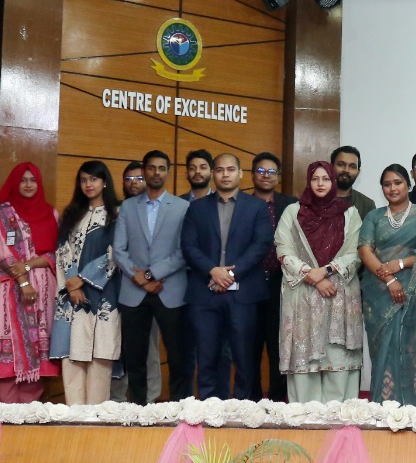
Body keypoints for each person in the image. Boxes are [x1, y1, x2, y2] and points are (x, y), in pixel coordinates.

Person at [182, 153, 276, 400]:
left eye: (231, 169)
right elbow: (188, 246)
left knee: (245, 361)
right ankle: (209, 411)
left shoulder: (256, 207)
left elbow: (261, 244)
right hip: (205, 294)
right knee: (206, 360)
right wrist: (213, 270)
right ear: (214, 174)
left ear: (240, 173)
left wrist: (231, 274)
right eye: (220, 170)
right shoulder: (197, 207)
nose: (225, 174)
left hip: (244, 295)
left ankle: (243, 413)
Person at [276, 161, 364, 402]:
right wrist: (311, 276)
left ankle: (338, 417)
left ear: (333, 182)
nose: (320, 183)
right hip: (303, 295)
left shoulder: (350, 213)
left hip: (338, 293)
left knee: (337, 355)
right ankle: (306, 416)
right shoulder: (293, 212)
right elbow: (283, 249)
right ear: (308, 181)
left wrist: (326, 271)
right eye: (315, 179)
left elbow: (355, 252)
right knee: (305, 359)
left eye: (325, 179)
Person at [114, 150, 194, 403]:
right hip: (134, 291)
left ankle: (179, 408)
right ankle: (138, 409)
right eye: (151, 168)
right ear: (144, 171)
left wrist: (151, 274)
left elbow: (184, 251)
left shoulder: (182, 207)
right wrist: (137, 277)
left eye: (161, 168)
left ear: (168, 172)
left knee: (178, 356)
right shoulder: (128, 206)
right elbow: (119, 249)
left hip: (170, 290)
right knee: (134, 356)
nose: (156, 172)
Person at [357, 164, 416, 405]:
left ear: (408, 185)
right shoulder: (374, 216)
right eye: (387, 184)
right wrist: (390, 280)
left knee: (414, 349)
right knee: (384, 350)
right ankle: (385, 405)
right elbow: (365, 251)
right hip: (379, 294)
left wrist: (401, 263)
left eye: (398, 182)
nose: (392, 188)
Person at [0, 162, 60, 403]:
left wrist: (30, 265)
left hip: (43, 290)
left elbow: (57, 253)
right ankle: (6, 413)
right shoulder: (2, 215)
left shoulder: (51, 214)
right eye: (23, 180)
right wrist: (24, 282)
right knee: (9, 352)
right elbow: (0, 254)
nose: (28, 185)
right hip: (9, 287)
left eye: (33, 180)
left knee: (38, 352)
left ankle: (29, 415)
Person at [51, 160, 121, 405]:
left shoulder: (116, 214)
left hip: (103, 294)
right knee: (72, 357)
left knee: (101, 355)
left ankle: (96, 418)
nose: (88, 184)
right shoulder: (72, 214)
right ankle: (73, 416)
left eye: (93, 179)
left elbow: (116, 252)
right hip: (71, 297)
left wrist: (82, 280)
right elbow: (63, 250)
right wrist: (71, 283)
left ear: (104, 182)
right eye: (83, 180)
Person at [251, 151, 297, 401]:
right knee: (250, 349)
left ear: (278, 176)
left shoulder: (291, 205)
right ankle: (251, 403)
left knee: (280, 349)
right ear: (252, 175)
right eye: (261, 171)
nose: (266, 176)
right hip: (250, 284)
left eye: (271, 172)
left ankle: (278, 404)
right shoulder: (242, 205)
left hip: (282, 285)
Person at [331, 146, 376, 220]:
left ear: (358, 172)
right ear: (331, 167)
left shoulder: (367, 205)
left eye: (352, 167)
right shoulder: (316, 200)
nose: (346, 170)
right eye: (341, 164)